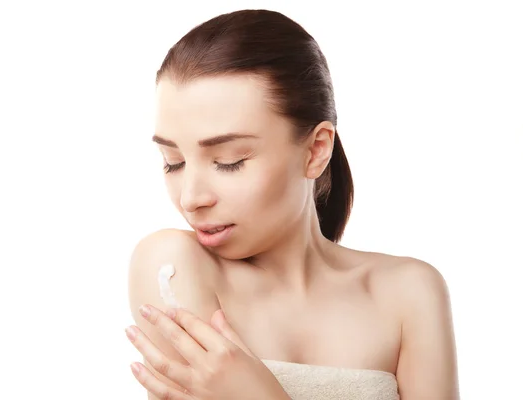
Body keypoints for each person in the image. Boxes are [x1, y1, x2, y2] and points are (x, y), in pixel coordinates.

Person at [125, 8, 459, 400]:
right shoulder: (172, 266)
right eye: (173, 162)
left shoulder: (410, 293)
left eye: (229, 160)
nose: (191, 198)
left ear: (316, 150)